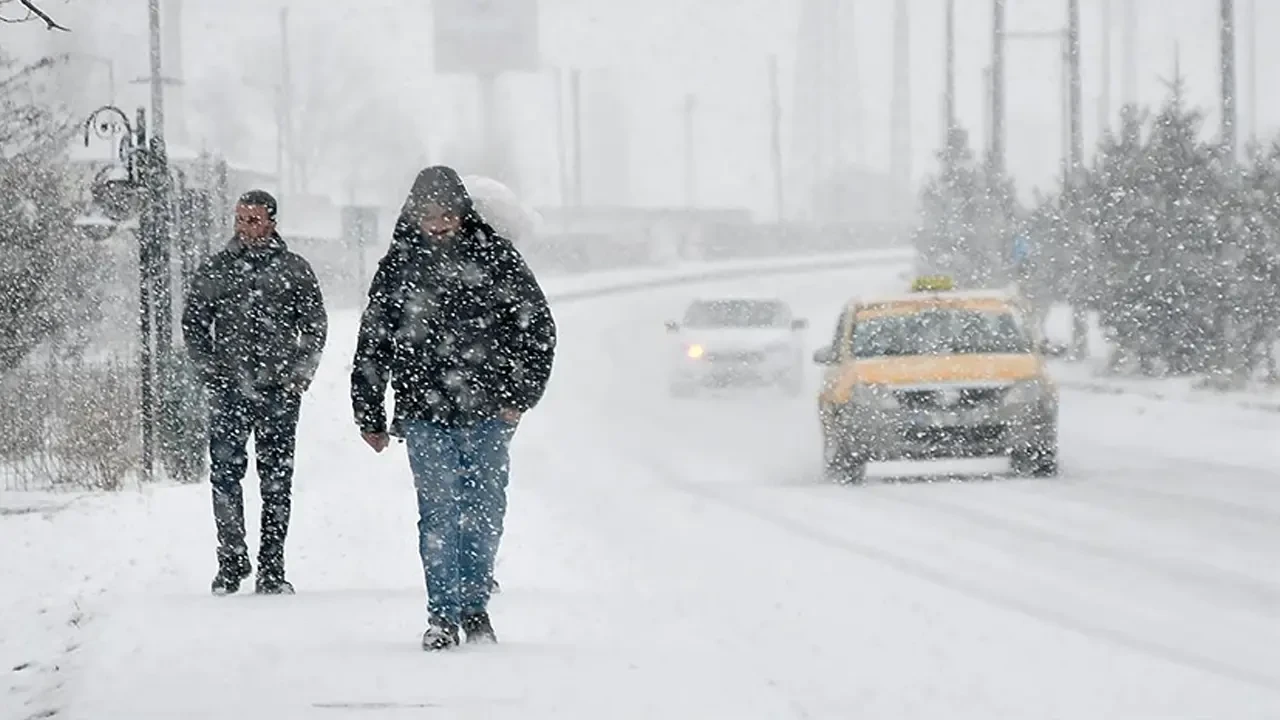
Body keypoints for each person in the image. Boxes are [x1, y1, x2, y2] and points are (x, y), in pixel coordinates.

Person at [351, 166, 556, 650]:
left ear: (462, 213)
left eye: (447, 214)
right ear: (414, 214)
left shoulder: (496, 259)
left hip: (488, 412)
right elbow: (374, 341)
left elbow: (537, 331)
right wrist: (369, 412)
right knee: (440, 512)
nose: (439, 224)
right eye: (430, 215)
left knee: (484, 511)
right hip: (425, 413)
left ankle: (474, 606)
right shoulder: (399, 266)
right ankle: (442, 614)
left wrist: (518, 397)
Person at [182, 190, 328, 596]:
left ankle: (272, 567)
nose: (244, 227)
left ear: (272, 222)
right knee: (225, 476)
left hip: (278, 392)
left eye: (253, 220)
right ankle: (231, 560)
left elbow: (314, 326)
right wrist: (210, 371)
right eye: (240, 219)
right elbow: (194, 323)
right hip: (229, 389)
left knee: (276, 480)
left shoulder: (294, 270)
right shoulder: (216, 270)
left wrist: (298, 376)